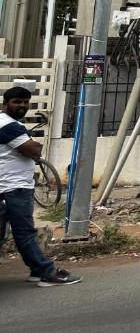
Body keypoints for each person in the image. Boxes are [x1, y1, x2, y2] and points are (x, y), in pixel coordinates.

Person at [0, 86, 81, 286]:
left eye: (26, 102)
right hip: (14, 187)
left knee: (9, 232)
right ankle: (46, 272)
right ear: (5, 104)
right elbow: (34, 150)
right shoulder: (9, 126)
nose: (22, 106)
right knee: (24, 232)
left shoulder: (9, 124)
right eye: (17, 102)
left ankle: (39, 269)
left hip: (8, 186)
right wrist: (34, 148)